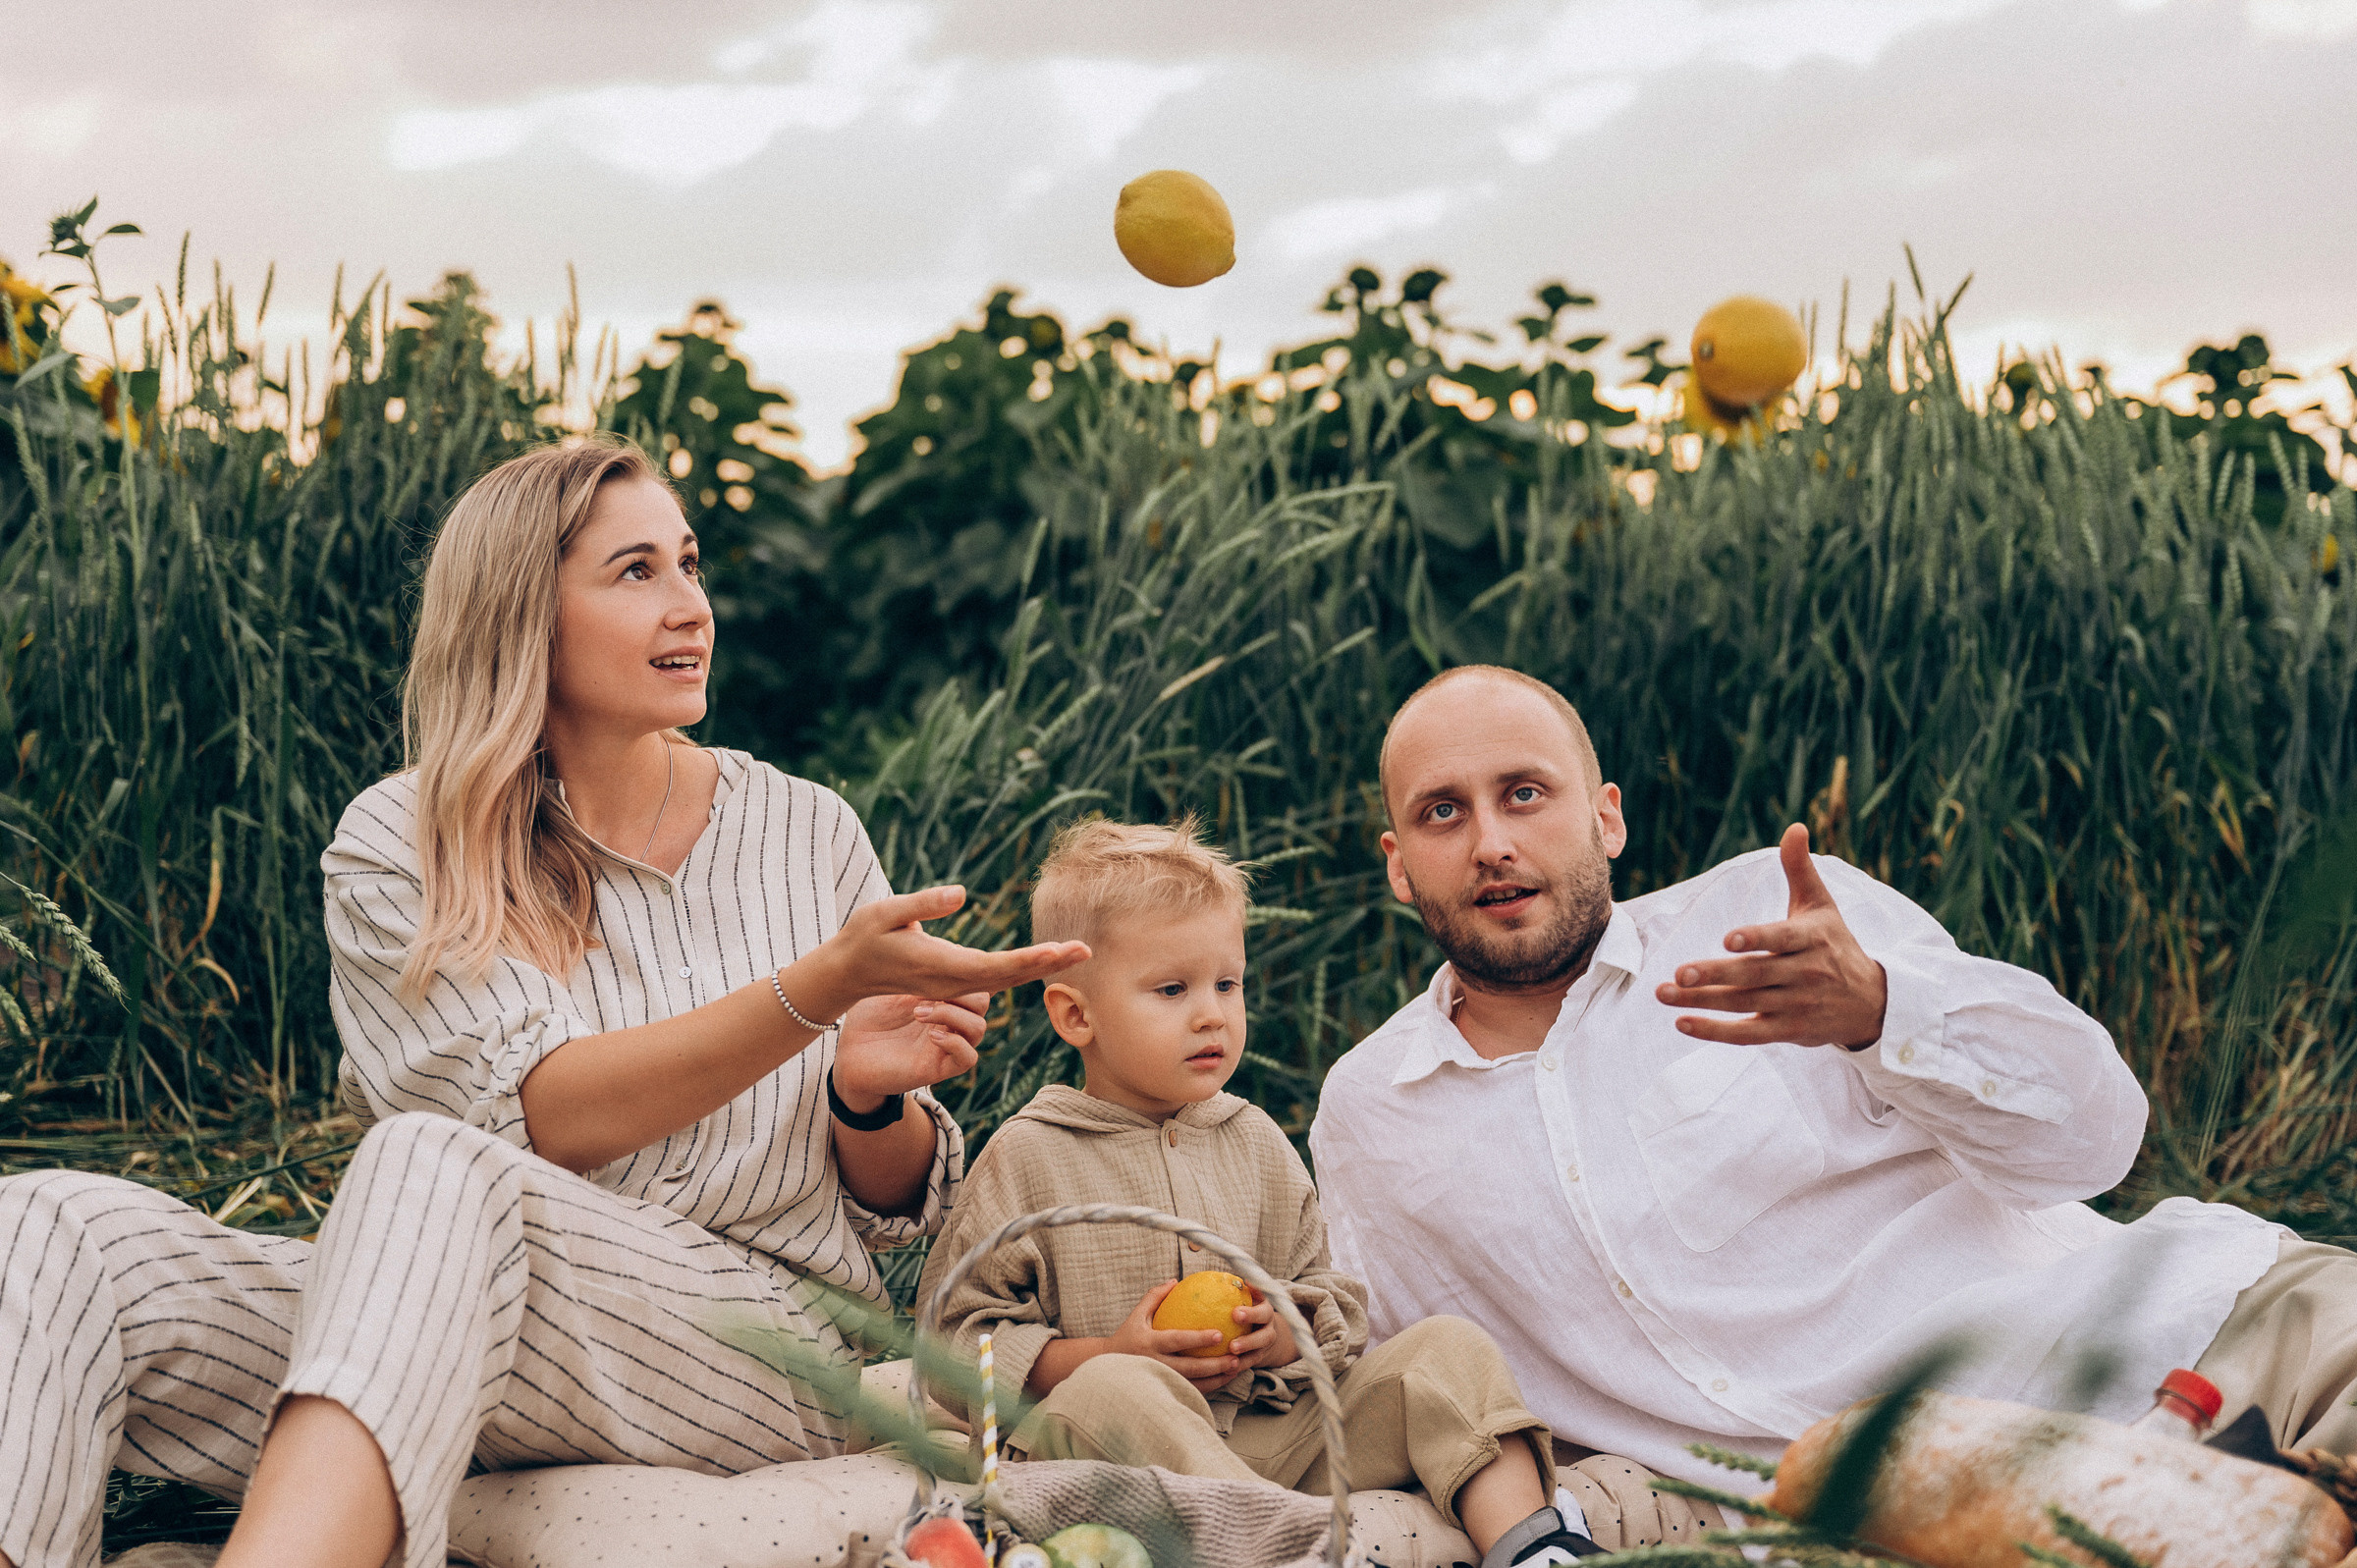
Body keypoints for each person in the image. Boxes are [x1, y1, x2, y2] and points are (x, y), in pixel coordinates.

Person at [0, 438, 1090, 1568]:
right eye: (637, 572)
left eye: (691, 563)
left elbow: (895, 1208)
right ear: (526, 615)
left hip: (754, 1349)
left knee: (428, 1165)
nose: (691, 606)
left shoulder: (805, 831)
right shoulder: (401, 840)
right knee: (51, 1230)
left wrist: (868, 1100)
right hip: (448, 1312)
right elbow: (541, 1117)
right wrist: (810, 995)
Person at [1309, 664, 2321, 1488]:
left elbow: (2097, 1141)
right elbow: (1386, 1373)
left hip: (2170, 1344)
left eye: (1525, 793)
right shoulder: (1373, 1115)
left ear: (1607, 818)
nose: (1492, 842)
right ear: (1400, 866)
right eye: (1444, 813)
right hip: (1887, 1510)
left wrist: (1883, 1013)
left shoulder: (1777, 919)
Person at [917, 818, 1600, 1568]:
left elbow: (1330, 1298)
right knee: (1120, 1383)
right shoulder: (1031, 1152)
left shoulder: (1254, 1139)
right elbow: (952, 1342)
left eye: (1227, 983)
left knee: (1447, 1348)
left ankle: (1535, 1546)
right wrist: (1101, 1351)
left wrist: (1282, 1329)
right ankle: (1295, 1551)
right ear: (1076, 1014)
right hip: (1107, 1449)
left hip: (1271, 1434)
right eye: (1172, 988)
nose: (1212, 1012)